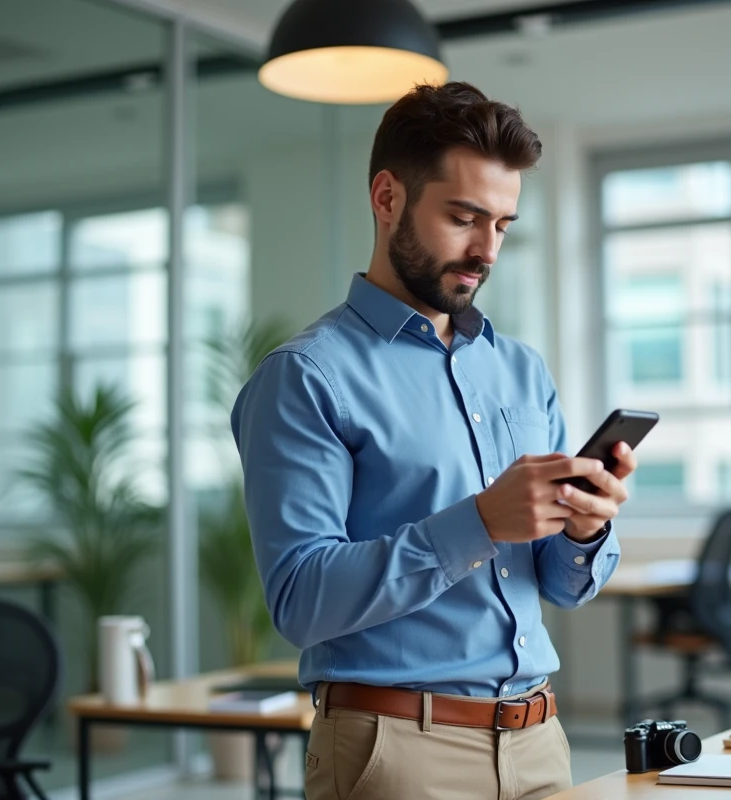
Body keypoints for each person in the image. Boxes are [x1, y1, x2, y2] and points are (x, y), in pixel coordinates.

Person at [232, 81, 635, 800]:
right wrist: (478, 522)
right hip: (396, 754)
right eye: (463, 217)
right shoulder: (306, 377)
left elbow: (565, 586)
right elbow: (299, 600)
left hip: (540, 743)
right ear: (388, 198)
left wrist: (582, 529)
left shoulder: (521, 370)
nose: (486, 250)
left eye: (504, 224)